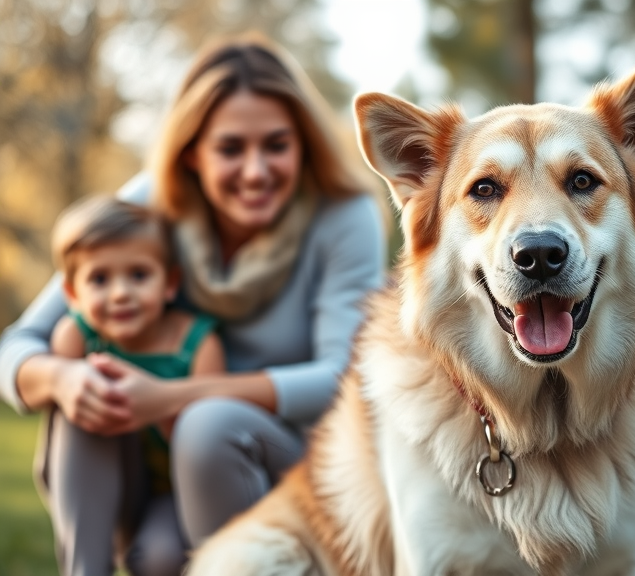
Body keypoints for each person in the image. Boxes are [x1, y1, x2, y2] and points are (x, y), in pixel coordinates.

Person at [0, 34, 385, 576]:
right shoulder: (149, 206)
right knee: (89, 392)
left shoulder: (343, 217)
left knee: (208, 424)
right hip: (162, 476)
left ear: (303, 145)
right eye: (230, 149)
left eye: (276, 145)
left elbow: (341, 380)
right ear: (192, 153)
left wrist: (170, 396)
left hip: (291, 467)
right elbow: (17, 347)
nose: (255, 171)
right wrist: (64, 381)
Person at [48, 196, 225, 565]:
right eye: (99, 279)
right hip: (103, 488)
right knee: (81, 393)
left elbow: (208, 445)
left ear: (170, 283)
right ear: (72, 294)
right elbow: (61, 448)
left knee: (158, 558)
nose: (120, 293)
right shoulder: (76, 338)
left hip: (174, 494)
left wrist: (156, 404)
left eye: (139, 275)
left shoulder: (197, 344)